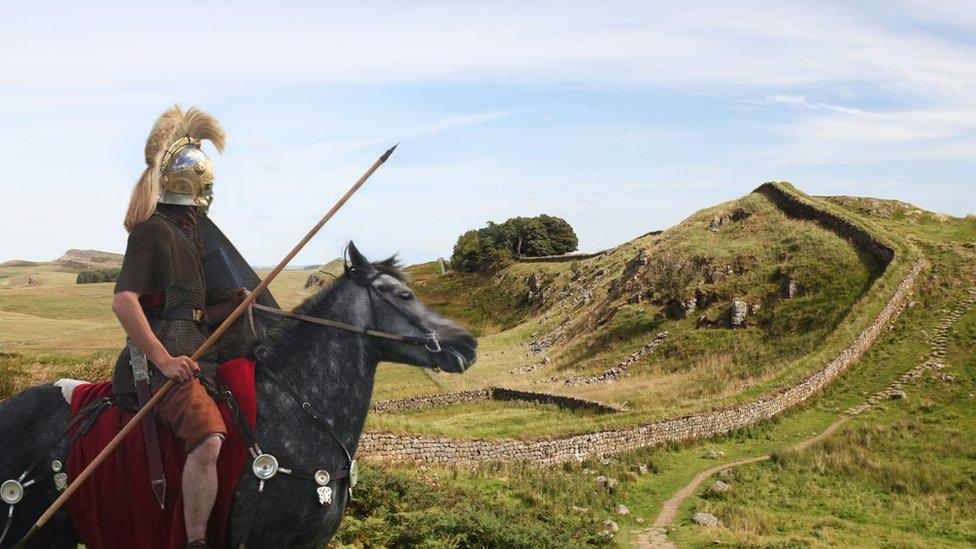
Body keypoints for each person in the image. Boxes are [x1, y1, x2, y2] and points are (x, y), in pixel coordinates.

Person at [111, 105, 242, 548]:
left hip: (197, 357)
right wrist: (164, 360)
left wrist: (235, 308)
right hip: (157, 367)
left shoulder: (189, 235)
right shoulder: (152, 231)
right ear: (196, 187)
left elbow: (191, 314)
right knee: (208, 436)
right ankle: (196, 542)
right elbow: (124, 302)